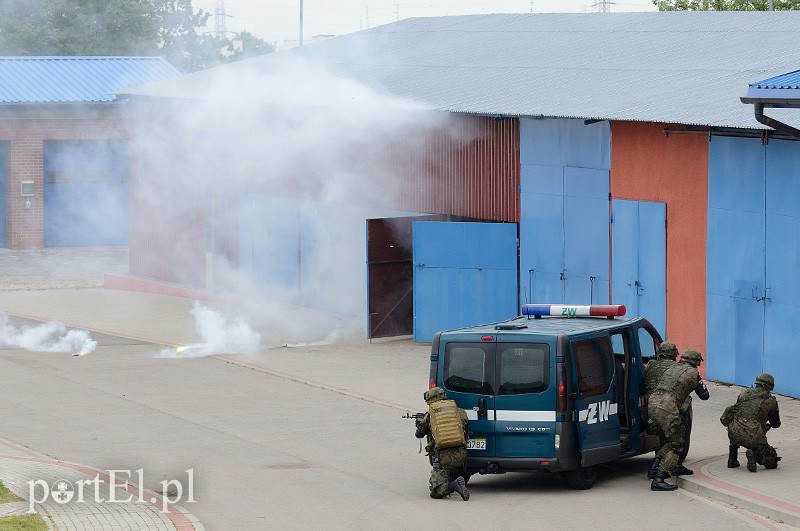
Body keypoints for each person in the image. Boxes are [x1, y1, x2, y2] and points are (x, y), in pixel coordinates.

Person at [647, 349, 709, 491]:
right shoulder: (693, 373)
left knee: (670, 439)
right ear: (696, 363)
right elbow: (705, 395)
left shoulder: (671, 367)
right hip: (667, 407)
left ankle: (654, 469)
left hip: (652, 403)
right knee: (676, 443)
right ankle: (659, 479)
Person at [414, 387, 470, 500]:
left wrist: (421, 422)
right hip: (462, 454)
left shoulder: (431, 414)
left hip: (444, 456)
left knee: (435, 492)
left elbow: (419, 434)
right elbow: (465, 423)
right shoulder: (457, 410)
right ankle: (456, 479)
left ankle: (454, 485)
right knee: (451, 470)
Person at [722, 372, 781, 472]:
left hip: (733, 434)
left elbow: (736, 412)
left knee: (738, 424)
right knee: (773, 463)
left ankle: (732, 460)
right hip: (753, 437)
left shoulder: (743, 393)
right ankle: (755, 455)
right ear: (768, 387)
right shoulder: (771, 400)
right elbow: (775, 424)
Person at [641, 341, 678, 480]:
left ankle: (667, 466)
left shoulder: (650, 366)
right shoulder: (676, 368)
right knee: (675, 440)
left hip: (647, 412)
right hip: (665, 410)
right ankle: (656, 469)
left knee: (665, 436)